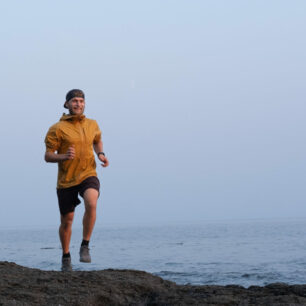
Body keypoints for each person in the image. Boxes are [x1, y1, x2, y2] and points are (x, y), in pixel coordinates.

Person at [44, 89, 109, 271]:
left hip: (88, 173)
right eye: (74, 101)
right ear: (67, 104)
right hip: (66, 180)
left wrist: (101, 154)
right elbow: (48, 156)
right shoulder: (57, 128)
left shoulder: (92, 124)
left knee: (92, 202)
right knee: (67, 221)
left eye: (81, 101)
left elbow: (97, 140)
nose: (78, 104)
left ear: (84, 104)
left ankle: (85, 245)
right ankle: (66, 256)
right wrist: (63, 156)